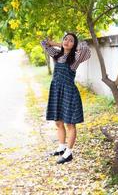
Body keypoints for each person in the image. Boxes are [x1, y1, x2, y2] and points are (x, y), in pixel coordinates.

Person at [41, 32, 91, 164]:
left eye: (71, 41)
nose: (67, 41)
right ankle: (61, 147)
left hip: (69, 92)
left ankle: (69, 152)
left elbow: (85, 48)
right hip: (56, 91)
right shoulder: (57, 55)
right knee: (58, 121)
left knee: (70, 123)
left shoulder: (75, 58)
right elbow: (44, 43)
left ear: (74, 45)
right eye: (65, 39)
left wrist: (65, 46)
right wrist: (57, 45)